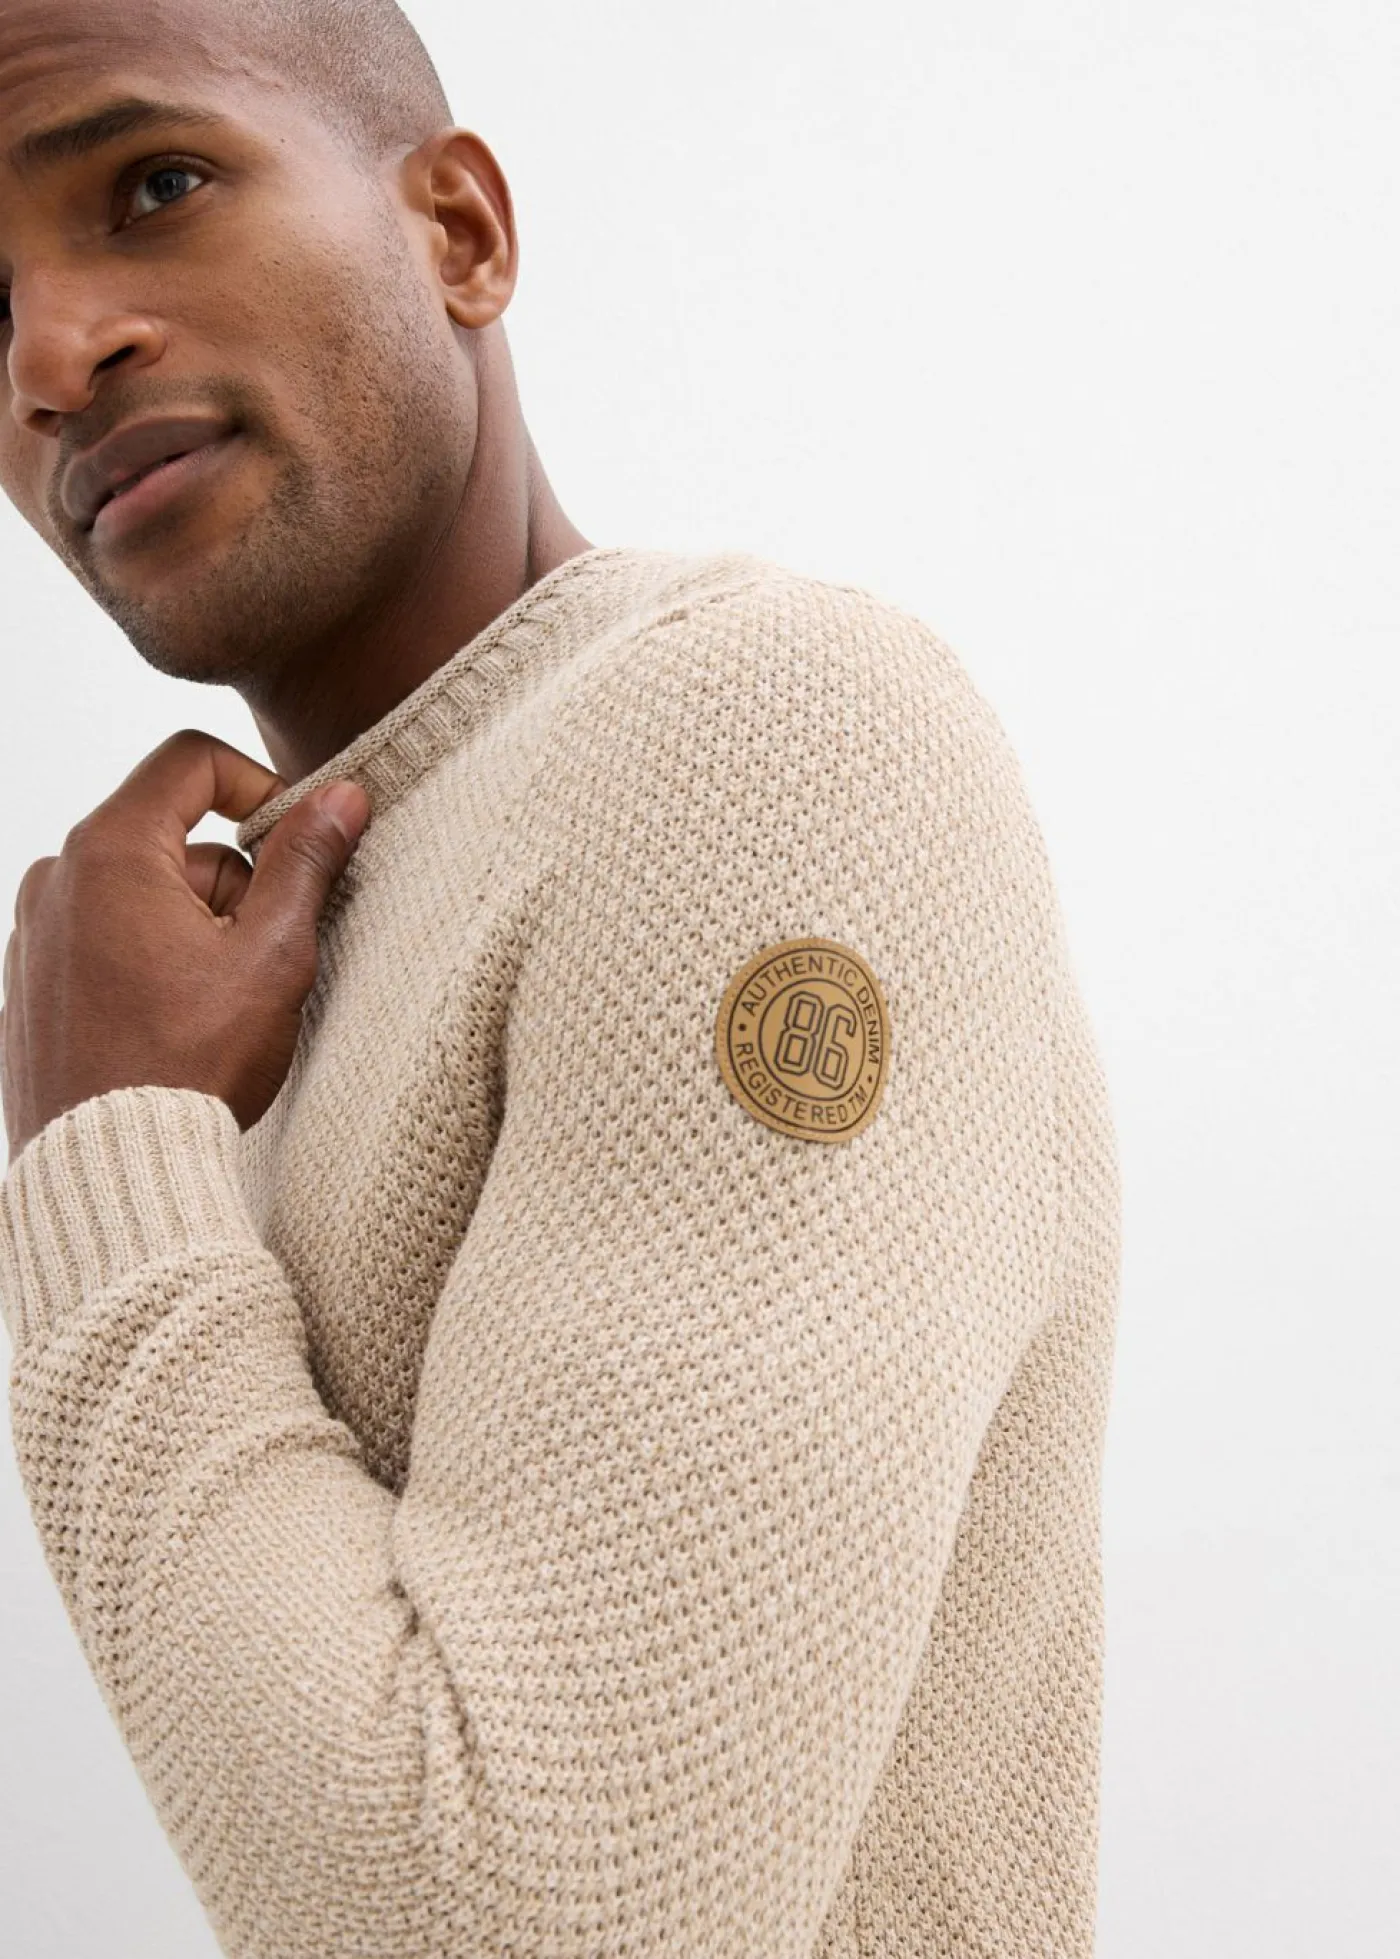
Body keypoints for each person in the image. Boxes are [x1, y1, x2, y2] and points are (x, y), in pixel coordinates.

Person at [0, 3, 1122, 1956]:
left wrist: (105, 1161)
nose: (48, 358)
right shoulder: (253, 956)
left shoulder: (773, 739)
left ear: (459, 233)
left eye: (157, 185)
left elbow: (535, 1915)